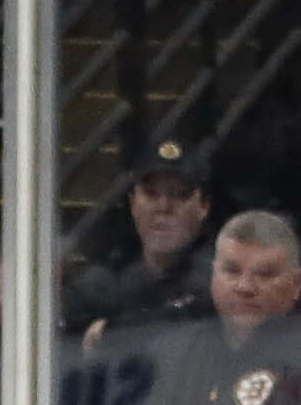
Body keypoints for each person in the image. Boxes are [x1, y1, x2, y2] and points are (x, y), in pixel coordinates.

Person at [106, 209, 301, 405]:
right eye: (231, 270)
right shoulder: (169, 352)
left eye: (264, 274)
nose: (245, 287)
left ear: (296, 283)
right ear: (213, 273)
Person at [64, 139, 214, 339]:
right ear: (133, 202)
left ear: (203, 207)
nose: (163, 207)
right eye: (151, 193)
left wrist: (111, 332)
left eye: (180, 195)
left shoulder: (221, 275)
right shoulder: (105, 279)